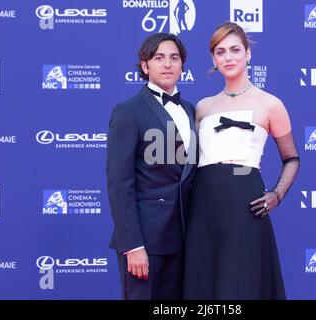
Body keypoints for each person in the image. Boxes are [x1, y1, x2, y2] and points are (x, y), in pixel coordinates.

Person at [183, 22, 300, 300]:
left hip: (245, 202)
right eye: (221, 52)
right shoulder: (202, 106)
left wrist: (276, 194)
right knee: (204, 284)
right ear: (213, 59)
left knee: (241, 283)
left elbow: (292, 158)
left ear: (248, 54)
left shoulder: (271, 104)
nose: (229, 57)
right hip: (203, 204)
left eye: (235, 50)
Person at [107, 33, 196, 300]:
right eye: (159, 58)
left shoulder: (191, 110)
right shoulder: (128, 111)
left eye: (174, 58)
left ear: (182, 66)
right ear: (145, 66)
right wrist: (132, 244)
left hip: (183, 239)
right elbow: (119, 183)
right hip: (145, 242)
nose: (167, 64)